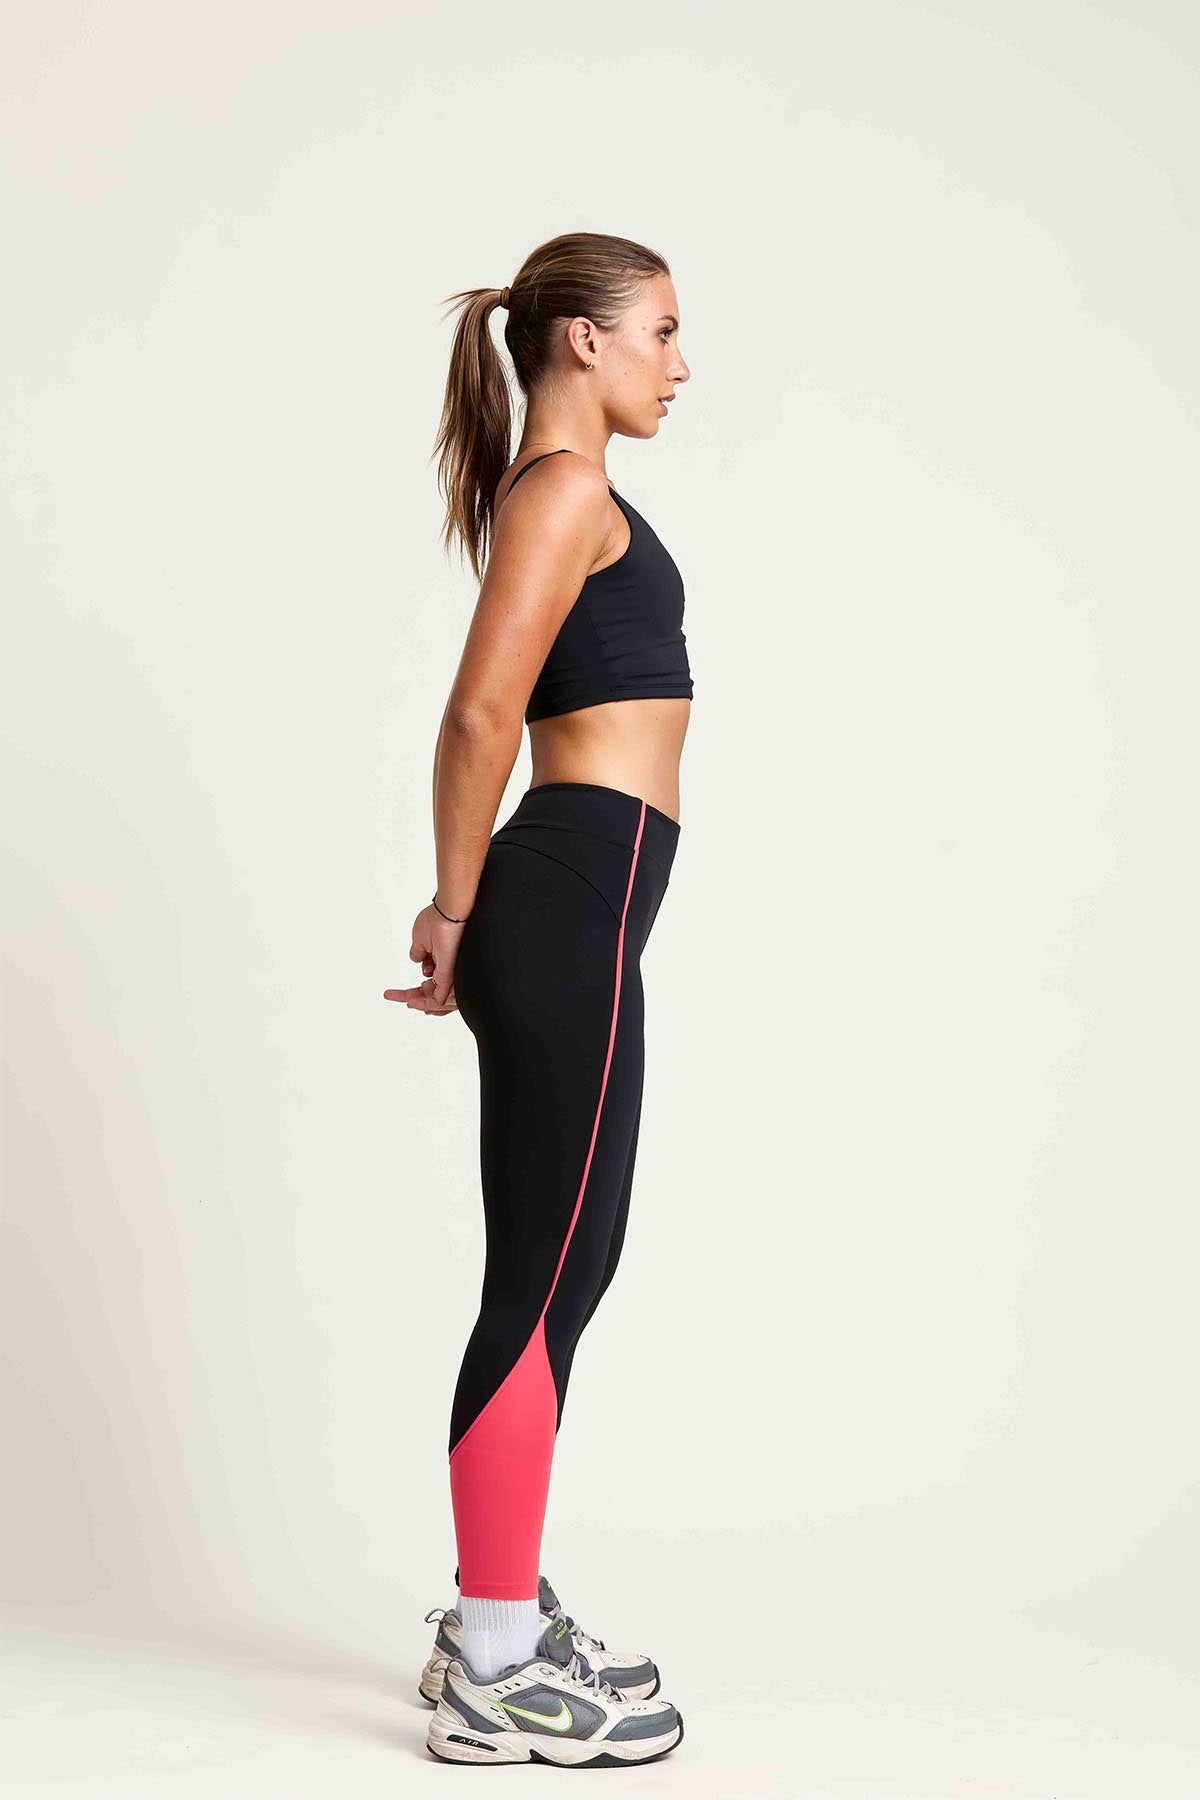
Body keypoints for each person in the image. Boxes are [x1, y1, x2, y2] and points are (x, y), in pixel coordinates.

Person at [384, 231, 693, 1769]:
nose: (679, 365)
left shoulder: (568, 494)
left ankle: (499, 1615)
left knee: (570, 1268)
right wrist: (454, 910)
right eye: (661, 332)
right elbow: (478, 714)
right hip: (562, 906)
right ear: (583, 339)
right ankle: (497, 1657)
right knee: (545, 1274)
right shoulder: (564, 491)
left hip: (583, 910)